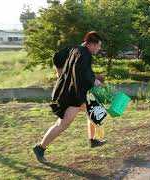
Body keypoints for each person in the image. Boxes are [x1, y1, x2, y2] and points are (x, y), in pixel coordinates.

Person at [33, 31, 104, 163]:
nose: (99, 49)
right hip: (73, 95)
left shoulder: (75, 49)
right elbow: (82, 72)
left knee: (93, 111)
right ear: (92, 45)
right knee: (62, 124)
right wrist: (95, 81)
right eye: (99, 46)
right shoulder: (85, 54)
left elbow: (57, 56)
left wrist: (60, 75)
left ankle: (93, 140)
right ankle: (40, 148)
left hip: (71, 91)